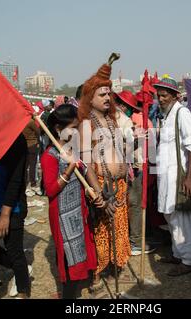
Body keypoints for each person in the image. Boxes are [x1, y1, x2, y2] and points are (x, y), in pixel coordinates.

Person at [77, 56, 131, 292]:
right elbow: (87, 164)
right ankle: (97, 275)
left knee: (118, 230)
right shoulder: (86, 124)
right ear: (90, 97)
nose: (108, 98)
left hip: (119, 185)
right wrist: (98, 194)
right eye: (102, 94)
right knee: (100, 233)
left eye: (109, 93)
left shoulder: (112, 120)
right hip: (102, 188)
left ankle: (114, 267)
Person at [41, 104, 97, 299]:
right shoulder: (49, 156)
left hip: (78, 211)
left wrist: (90, 191)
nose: (76, 132)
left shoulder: (70, 148)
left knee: (80, 253)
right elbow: (50, 190)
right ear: (58, 129)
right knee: (68, 256)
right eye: (73, 127)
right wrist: (68, 170)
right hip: (62, 215)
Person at [154, 76, 191, 276]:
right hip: (165, 175)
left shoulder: (182, 113)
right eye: (158, 96)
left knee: (181, 217)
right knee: (170, 215)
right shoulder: (166, 115)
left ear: (174, 96)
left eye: (164, 95)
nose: (160, 99)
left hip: (177, 176)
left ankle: (188, 260)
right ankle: (177, 253)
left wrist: (189, 177)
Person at [0, 132, 31, 299]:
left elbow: (16, 179)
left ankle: (23, 289)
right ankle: (21, 270)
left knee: (14, 250)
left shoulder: (16, 138)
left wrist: (5, 214)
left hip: (11, 208)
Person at [113, 90, 156, 255]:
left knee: (130, 204)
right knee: (135, 205)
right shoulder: (123, 121)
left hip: (133, 166)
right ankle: (136, 243)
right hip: (132, 168)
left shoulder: (125, 120)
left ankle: (130, 240)